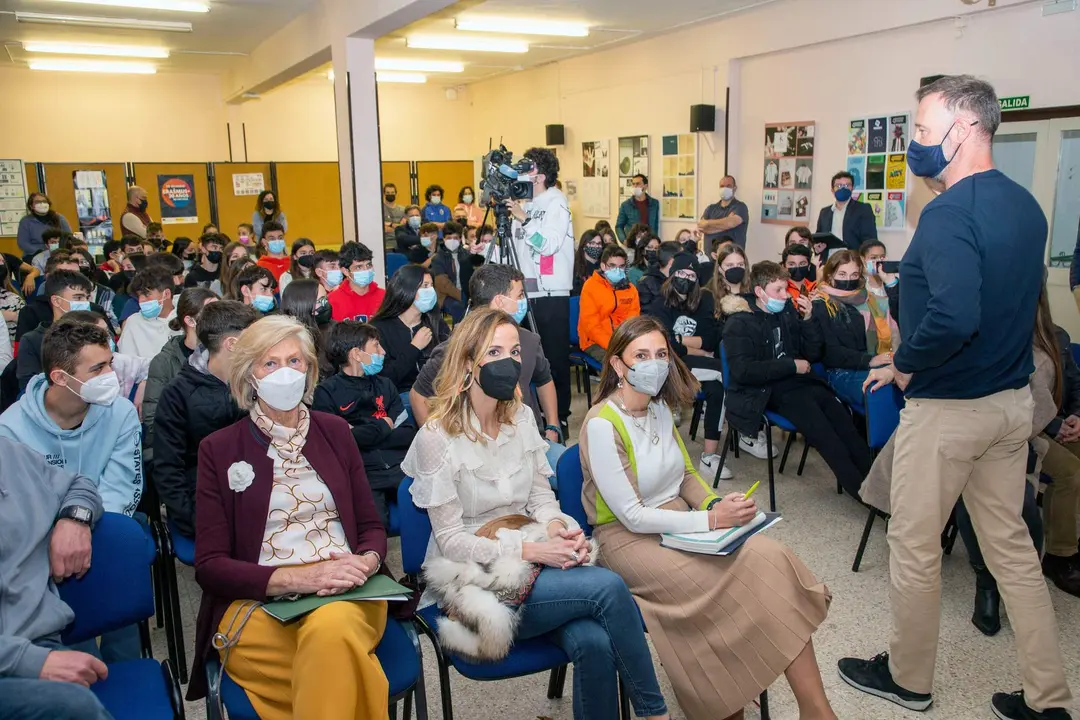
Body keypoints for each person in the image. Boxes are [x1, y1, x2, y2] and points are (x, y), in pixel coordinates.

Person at [838, 75, 1072, 720]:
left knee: (912, 548)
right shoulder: (1026, 206)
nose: (913, 140)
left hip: (949, 415)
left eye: (919, 127)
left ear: (964, 129)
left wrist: (905, 364)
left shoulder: (947, 212)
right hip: (1009, 405)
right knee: (1014, 553)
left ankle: (909, 681)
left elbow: (951, 318)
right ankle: (1049, 699)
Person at [402, 307, 672, 720]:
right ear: (467, 363)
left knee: (594, 640)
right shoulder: (436, 437)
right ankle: (655, 713)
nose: (508, 361)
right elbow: (452, 540)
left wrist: (560, 529)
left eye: (513, 350)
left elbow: (541, 498)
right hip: (472, 579)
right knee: (609, 588)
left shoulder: (521, 417)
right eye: (493, 351)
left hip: (532, 557)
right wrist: (528, 551)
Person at [579, 315, 834, 720]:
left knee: (770, 558)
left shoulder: (660, 407)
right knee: (723, 584)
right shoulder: (601, 423)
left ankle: (816, 710)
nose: (655, 363)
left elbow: (686, 475)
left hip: (681, 525)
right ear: (617, 365)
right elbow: (631, 516)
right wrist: (711, 522)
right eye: (640, 355)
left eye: (661, 354)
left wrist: (716, 505)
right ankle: (725, 704)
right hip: (626, 541)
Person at [187, 315, 390, 717]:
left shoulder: (335, 431)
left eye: (295, 361)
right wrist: (297, 579)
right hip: (261, 605)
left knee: (331, 631)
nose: (285, 373)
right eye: (270, 363)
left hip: (346, 593)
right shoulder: (219, 449)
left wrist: (365, 563)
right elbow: (210, 567)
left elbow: (370, 527)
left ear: (310, 370)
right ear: (249, 376)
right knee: (340, 665)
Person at [724, 261, 871, 497]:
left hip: (800, 383)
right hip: (766, 391)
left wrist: (808, 319)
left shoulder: (787, 313)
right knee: (826, 437)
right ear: (760, 292)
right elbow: (743, 371)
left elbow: (812, 354)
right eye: (778, 290)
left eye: (785, 289)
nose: (785, 296)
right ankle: (864, 494)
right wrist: (790, 365)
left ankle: (880, 486)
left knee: (845, 424)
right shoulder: (739, 322)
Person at [0, 435, 114, 720]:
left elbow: (79, 484)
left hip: (40, 641)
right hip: (17, 660)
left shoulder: (10, 454)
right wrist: (32, 662)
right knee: (75, 708)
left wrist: (74, 518)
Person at [411, 264, 565, 468]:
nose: (523, 302)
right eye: (519, 295)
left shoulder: (528, 339)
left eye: (514, 352)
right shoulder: (457, 348)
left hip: (529, 440)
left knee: (572, 467)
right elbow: (418, 395)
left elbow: (544, 380)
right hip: (476, 446)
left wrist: (553, 426)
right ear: (500, 300)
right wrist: (441, 444)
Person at [0, 320, 143, 515]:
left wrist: (81, 521)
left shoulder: (121, 413)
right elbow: (19, 508)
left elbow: (120, 490)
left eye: (110, 364)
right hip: (38, 534)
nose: (111, 375)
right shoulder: (9, 430)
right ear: (60, 377)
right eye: (98, 368)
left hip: (102, 522)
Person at [152, 300, 256, 538]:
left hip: (258, 488)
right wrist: (195, 522)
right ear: (233, 344)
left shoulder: (257, 380)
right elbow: (169, 467)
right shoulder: (178, 393)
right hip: (206, 495)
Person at [313, 320, 417, 529]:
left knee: (427, 506)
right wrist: (384, 425)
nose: (383, 352)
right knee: (374, 525)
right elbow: (339, 441)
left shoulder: (385, 385)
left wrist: (360, 431)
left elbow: (407, 433)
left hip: (401, 466)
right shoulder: (326, 392)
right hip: (363, 473)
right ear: (356, 354)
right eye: (376, 346)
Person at [504, 147, 575, 432]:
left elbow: (549, 244)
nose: (522, 171)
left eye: (528, 167)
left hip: (550, 293)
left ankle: (561, 416)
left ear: (541, 175)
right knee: (525, 355)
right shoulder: (526, 204)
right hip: (524, 292)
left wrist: (524, 217)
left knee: (554, 358)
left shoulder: (556, 201)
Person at [644, 253, 729, 479]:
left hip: (694, 365)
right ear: (672, 275)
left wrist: (680, 341)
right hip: (667, 365)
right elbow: (664, 343)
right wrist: (696, 348)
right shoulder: (659, 303)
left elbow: (711, 338)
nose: (686, 278)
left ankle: (709, 456)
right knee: (726, 373)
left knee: (717, 389)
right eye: (681, 273)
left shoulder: (704, 300)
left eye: (691, 275)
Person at [809, 249, 899, 411]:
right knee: (880, 389)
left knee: (901, 381)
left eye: (854, 274)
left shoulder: (868, 300)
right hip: (841, 371)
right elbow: (829, 352)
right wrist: (869, 360)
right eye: (842, 274)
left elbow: (898, 314)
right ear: (830, 276)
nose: (848, 279)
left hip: (872, 364)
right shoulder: (821, 304)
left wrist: (891, 283)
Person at [142, 287, 218, 468]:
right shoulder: (164, 362)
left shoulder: (222, 355)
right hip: (179, 454)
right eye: (212, 312)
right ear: (190, 320)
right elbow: (154, 421)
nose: (219, 318)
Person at [371, 264, 449, 402]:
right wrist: (414, 349)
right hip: (400, 395)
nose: (431, 291)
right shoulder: (379, 328)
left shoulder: (436, 322)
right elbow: (384, 377)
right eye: (425, 286)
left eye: (431, 286)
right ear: (407, 289)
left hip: (437, 394)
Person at [17, 269, 95, 394]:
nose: (85, 303)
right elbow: (28, 387)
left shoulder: (95, 333)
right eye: (78, 297)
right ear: (56, 301)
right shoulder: (33, 340)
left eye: (87, 297)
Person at [578, 245, 640, 363]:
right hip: (595, 342)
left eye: (621, 266)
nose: (617, 270)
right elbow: (592, 326)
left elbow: (633, 321)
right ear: (603, 266)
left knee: (644, 359)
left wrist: (626, 343)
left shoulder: (631, 289)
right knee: (619, 364)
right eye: (612, 266)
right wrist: (615, 346)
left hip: (624, 340)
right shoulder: (590, 287)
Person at [118, 266, 181, 359]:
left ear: (167, 294)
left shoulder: (186, 316)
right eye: (139, 296)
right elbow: (127, 362)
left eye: (147, 295)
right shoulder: (134, 322)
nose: (141, 300)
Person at [281, 278, 333, 380]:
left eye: (326, 299)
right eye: (320, 301)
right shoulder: (285, 339)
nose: (326, 305)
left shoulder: (331, 330)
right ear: (303, 303)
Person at [815, 171, 877, 251]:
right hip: (829, 261)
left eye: (847, 185)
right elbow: (818, 238)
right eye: (839, 185)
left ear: (852, 188)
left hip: (852, 260)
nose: (843, 188)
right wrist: (817, 248)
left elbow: (870, 241)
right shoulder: (824, 212)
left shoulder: (863, 209)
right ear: (832, 190)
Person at [328, 242, 384, 322]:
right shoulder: (332, 301)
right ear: (345, 271)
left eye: (369, 265)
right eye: (359, 267)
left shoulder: (385, 297)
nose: (366, 270)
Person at [429, 221, 473, 323]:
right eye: (449, 238)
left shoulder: (466, 254)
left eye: (455, 238)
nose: (452, 241)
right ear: (444, 238)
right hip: (446, 296)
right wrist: (463, 297)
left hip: (466, 293)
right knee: (460, 308)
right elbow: (443, 285)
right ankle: (458, 336)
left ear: (460, 239)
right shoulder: (438, 258)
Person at [707, 243, 751, 337]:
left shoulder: (754, 291)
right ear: (719, 268)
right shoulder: (709, 294)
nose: (736, 268)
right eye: (729, 265)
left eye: (740, 264)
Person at [698, 176, 749, 250]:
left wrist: (708, 223)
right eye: (722, 186)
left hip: (732, 257)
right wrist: (725, 224)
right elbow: (702, 227)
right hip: (710, 258)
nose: (724, 189)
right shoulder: (710, 208)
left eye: (728, 186)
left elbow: (731, 223)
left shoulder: (740, 207)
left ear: (734, 188)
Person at [17, 193, 72, 260]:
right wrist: (42, 252)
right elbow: (23, 243)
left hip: (58, 253)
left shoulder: (59, 218)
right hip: (34, 255)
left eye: (44, 201)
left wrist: (59, 250)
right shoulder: (26, 221)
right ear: (31, 206)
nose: (42, 204)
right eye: (38, 202)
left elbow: (69, 237)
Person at [636, 240, 682, 309]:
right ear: (672, 261)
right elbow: (646, 314)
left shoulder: (680, 279)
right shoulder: (646, 284)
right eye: (683, 258)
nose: (685, 261)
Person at [615, 173, 660, 240]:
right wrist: (624, 241)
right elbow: (619, 226)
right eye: (633, 184)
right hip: (632, 244)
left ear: (645, 186)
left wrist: (655, 240)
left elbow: (655, 226)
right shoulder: (625, 205)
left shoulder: (654, 204)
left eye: (638, 184)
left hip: (649, 243)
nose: (635, 186)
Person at [782, 243, 816, 307]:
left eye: (802, 264)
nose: (797, 267)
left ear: (809, 266)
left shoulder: (815, 288)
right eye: (792, 264)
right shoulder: (781, 290)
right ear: (784, 267)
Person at [571, 229, 604, 297]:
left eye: (599, 243)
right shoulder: (575, 266)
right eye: (592, 243)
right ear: (584, 246)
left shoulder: (604, 266)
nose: (596, 246)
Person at [382, 183, 406, 248]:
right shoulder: (380, 209)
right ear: (384, 194)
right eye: (388, 192)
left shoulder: (403, 209)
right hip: (385, 244)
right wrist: (397, 226)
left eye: (392, 192)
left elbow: (403, 228)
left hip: (401, 243)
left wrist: (389, 225)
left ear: (396, 193)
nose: (390, 194)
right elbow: (380, 227)